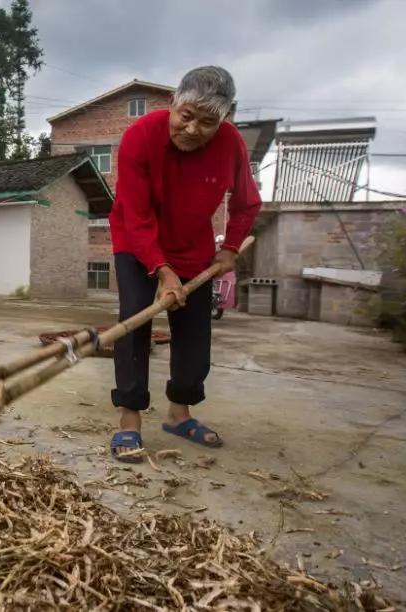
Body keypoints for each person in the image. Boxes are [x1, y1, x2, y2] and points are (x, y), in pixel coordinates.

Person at [108, 66, 262, 462]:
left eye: (208, 122)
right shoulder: (139, 136)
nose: (193, 129)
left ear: (224, 120)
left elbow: (247, 203)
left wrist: (228, 248)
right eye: (186, 116)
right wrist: (162, 270)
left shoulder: (230, 144)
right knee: (135, 322)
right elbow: (136, 216)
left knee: (195, 333)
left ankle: (179, 415)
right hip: (136, 241)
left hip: (193, 249)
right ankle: (129, 421)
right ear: (173, 105)